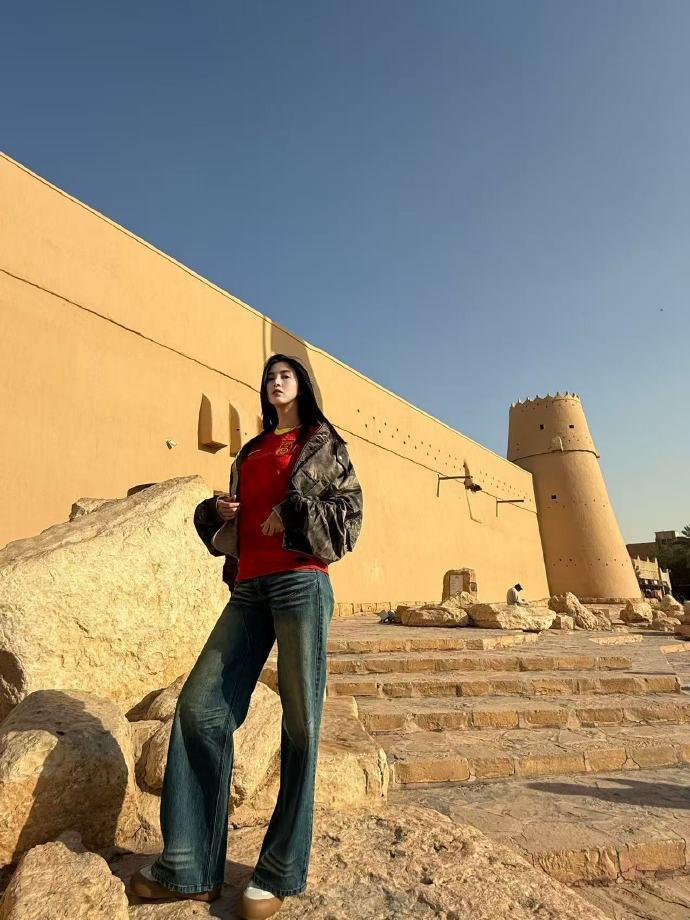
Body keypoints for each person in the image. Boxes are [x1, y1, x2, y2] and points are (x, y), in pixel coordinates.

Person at [131, 355, 363, 919]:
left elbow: (349, 517)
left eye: (285, 374)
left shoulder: (323, 443)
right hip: (249, 587)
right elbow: (225, 526)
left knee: (301, 725)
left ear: (302, 385)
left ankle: (278, 871)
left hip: (302, 582)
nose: (275, 381)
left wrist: (294, 513)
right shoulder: (252, 451)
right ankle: (189, 867)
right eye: (269, 376)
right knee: (199, 709)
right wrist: (217, 510)